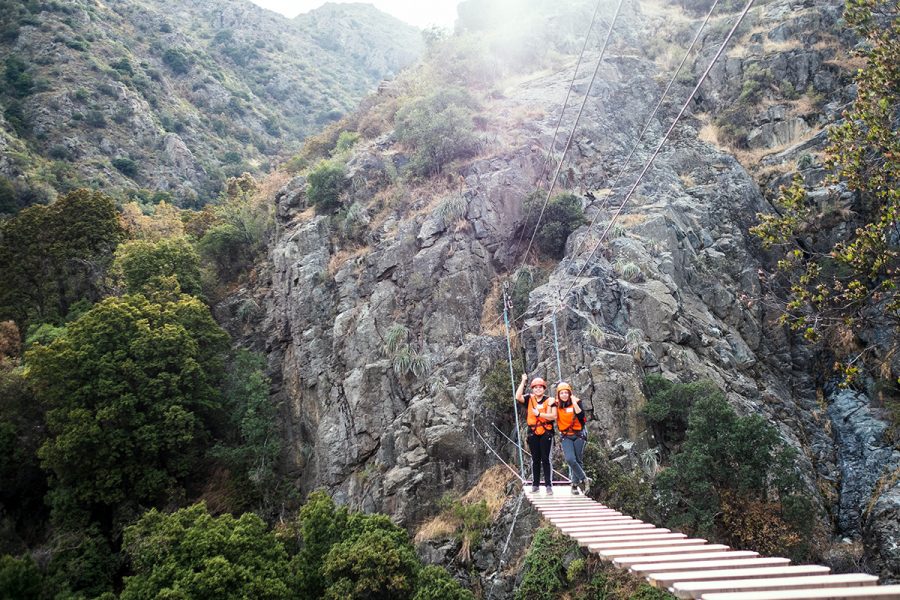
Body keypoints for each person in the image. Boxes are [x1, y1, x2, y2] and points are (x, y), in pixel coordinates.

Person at [516, 374, 556, 494]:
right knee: (535, 459)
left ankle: (548, 485)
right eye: (535, 387)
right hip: (533, 432)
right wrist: (523, 381)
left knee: (545, 458)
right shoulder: (529, 398)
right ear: (532, 389)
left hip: (546, 432)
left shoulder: (550, 401)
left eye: (540, 387)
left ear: (544, 389)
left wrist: (539, 414)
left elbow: (553, 416)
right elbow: (518, 396)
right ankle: (536, 484)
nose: (538, 389)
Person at [555, 382, 590, 495]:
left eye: (566, 393)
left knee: (578, 460)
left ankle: (574, 485)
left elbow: (581, 417)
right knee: (570, 459)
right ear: (558, 394)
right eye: (562, 393)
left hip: (579, 434)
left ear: (570, 393)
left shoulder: (577, 402)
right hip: (566, 436)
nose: (564, 395)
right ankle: (584, 479)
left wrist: (574, 403)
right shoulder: (556, 405)